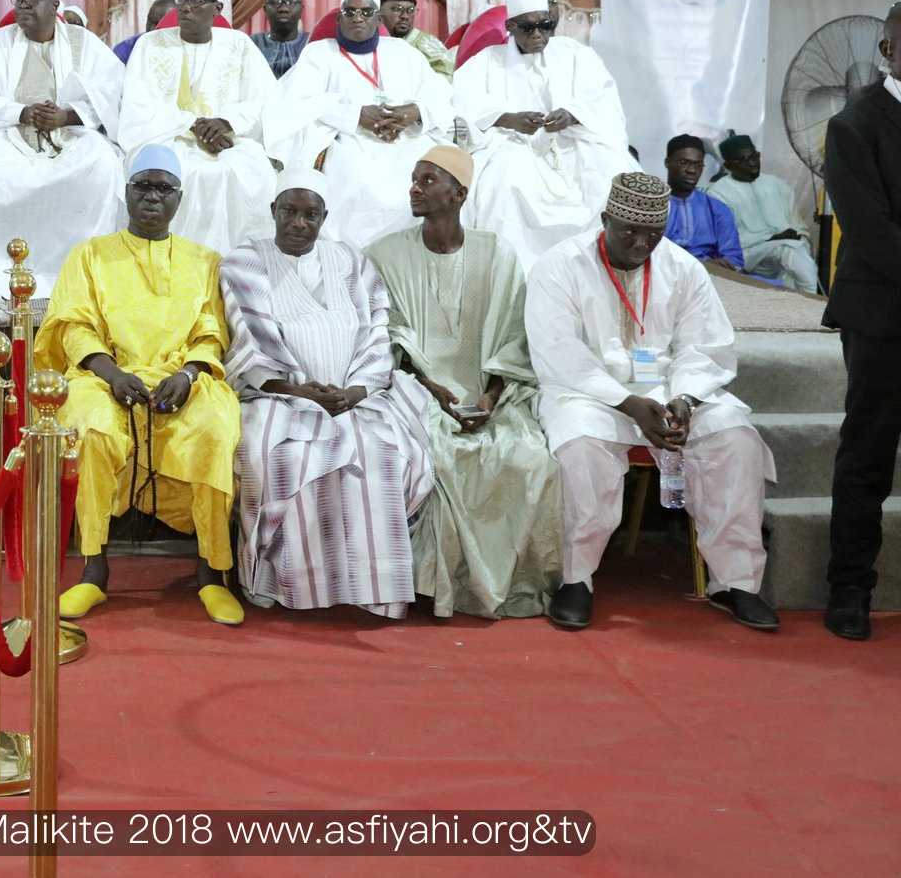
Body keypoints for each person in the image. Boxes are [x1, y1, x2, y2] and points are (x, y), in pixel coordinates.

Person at [525, 172, 779, 632]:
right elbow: (558, 352)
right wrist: (627, 402)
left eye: (654, 233)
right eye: (629, 231)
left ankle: (735, 582)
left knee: (735, 439)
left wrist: (684, 398)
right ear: (606, 219)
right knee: (581, 447)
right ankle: (576, 578)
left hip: (667, 391)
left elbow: (706, 346)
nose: (642, 244)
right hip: (589, 394)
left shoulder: (683, 268)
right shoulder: (560, 266)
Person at [43, 145, 246, 626]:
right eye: (143, 186)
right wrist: (112, 374)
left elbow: (211, 332)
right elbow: (74, 327)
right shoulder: (89, 255)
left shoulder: (206, 261)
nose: (152, 196)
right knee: (92, 429)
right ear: (127, 192)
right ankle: (93, 570)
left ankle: (211, 572)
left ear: (180, 199)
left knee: (215, 429)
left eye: (164, 188)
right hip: (104, 376)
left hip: (181, 378)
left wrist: (188, 375)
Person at [221, 168, 435, 617]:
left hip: (354, 397)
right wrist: (298, 391)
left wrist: (355, 392)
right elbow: (250, 342)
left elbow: (377, 331)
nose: (299, 223)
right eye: (289, 212)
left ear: (325, 217)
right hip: (275, 397)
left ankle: (369, 588)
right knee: (277, 457)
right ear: (273, 211)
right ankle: (281, 583)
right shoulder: (245, 261)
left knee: (382, 454)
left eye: (310, 215)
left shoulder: (351, 262)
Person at [365, 147, 563, 619]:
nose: (415, 188)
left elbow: (514, 336)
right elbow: (386, 335)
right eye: (414, 179)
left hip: (492, 393)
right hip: (414, 390)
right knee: (436, 455)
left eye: (428, 180)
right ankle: (433, 585)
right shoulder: (383, 254)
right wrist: (428, 387)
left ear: (460, 193)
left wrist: (490, 397)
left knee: (531, 458)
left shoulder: (498, 253)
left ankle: (511, 582)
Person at [0, 0, 127, 297]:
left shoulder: (83, 43)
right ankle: (4, 268)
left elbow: (113, 93)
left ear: (54, 5)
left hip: (70, 135)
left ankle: (82, 269)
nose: (23, 5)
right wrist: (20, 112)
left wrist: (66, 116)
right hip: (10, 135)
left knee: (103, 164)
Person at [815, 3, 901, 640]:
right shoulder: (852, 124)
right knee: (868, 455)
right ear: (888, 49)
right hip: (882, 316)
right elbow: (870, 231)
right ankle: (849, 589)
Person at [454, 0, 636, 262]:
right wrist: (507, 118)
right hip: (512, 144)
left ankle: (598, 263)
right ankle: (513, 266)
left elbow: (603, 98)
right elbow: (461, 101)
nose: (538, 34)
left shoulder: (575, 53)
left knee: (609, 168)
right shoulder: (488, 60)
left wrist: (572, 114)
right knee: (505, 180)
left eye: (545, 26)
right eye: (528, 28)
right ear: (511, 27)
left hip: (570, 140)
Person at [269, 0, 453, 248]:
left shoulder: (404, 53)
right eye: (350, 11)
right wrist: (356, 116)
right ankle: (355, 255)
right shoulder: (319, 53)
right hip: (348, 138)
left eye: (367, 12)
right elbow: (299, 100)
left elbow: (440, 94)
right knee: (357, 178)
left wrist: (415, 111)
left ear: (379, 19)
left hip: (407, 138)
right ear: (339, 17)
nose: (358, 17)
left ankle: (418, 249)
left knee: (434, 176)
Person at [118, 0, 278, 253]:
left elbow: (263, 99)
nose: (185, 7)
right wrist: (192, 124)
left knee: (255, 172)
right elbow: (138, 103)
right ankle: (170, 256)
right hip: (166, 138)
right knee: (182, 173)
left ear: (217, 9)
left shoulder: (239, 45)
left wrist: (226, 122)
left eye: (195, 1)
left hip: (228, 139)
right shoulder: (149, 44)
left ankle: (241, 259)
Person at [706, 133, 819, 293]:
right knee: (789, 250)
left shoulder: (778, 185)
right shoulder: (719, 194)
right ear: (728, 165)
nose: (752, 163)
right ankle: (812, 301)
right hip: (749, 255)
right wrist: (771, 239)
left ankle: (803, 304)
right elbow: (727, 241)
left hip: (786, 255)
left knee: (793, 265)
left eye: (754, 156)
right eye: (743, 160)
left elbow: (799, 227)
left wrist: (799, 237)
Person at [663, 134, 742, 268]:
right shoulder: (651, 206)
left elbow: (734, 257)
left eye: (698, 165)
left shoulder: (717, 209)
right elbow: (646, 255)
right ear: (667, 162)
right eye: (684, 162)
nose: (692, 170)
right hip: (665, 272)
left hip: (711, 274)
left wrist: (720, 265)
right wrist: (699, 264)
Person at [377, 0, 454, 79]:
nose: (405, 16)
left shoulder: (425, 43)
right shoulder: (369, 42)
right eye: (397, 9)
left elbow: (447, 78)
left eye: (411, 10)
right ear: (379, 11)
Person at [250, 0, 309, 80]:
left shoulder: (312, 44)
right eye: (276, 2)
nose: (283, 9)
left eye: (291, 2)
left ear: (301, 10)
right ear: (265, 10)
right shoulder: (250, 44)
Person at [112, 0, 179, 66]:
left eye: (159, 24)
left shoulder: (184, 48)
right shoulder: (125, 50)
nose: (152, 29)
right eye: (150, 22)